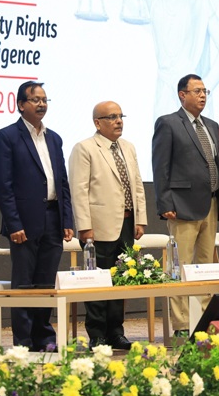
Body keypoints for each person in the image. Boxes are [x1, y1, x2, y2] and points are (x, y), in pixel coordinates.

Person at [0, 81, 74, 351]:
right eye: (35, 99)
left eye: (44, 100)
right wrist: (13, 223)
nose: (41, 104)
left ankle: (44, 338)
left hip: (53, 218)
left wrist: (67, 220)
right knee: (24, 284)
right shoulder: (6, 137)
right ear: (20, 105)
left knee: (46, 283)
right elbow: (3, 186)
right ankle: (24, 342)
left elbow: (62, 183)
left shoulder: (54, 138)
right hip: (23, 223)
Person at [152, 74, 219, 336]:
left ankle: (204, 319)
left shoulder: (212, 125)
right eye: (197, 91)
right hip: (182, 205)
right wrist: (164, 202)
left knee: (206, 265)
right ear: (182, 95)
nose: (203, 95)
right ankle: (182, 324)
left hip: (211, 203)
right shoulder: (168, 123)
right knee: (180, 265)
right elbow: (160, 166)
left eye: (205, 91)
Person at [69, 101, 147, 350]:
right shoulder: (85, 148)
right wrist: (84, 226)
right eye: (112, 117)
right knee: (97, 280)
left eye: (120, 116)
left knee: (122, 279)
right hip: (98, 226)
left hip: (127, 223)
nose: (118, 121)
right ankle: (97, 334)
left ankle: (116, 332)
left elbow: (137, 185)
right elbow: (79, 190)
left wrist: (140, 219)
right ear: (97, 122)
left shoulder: (128, 147)